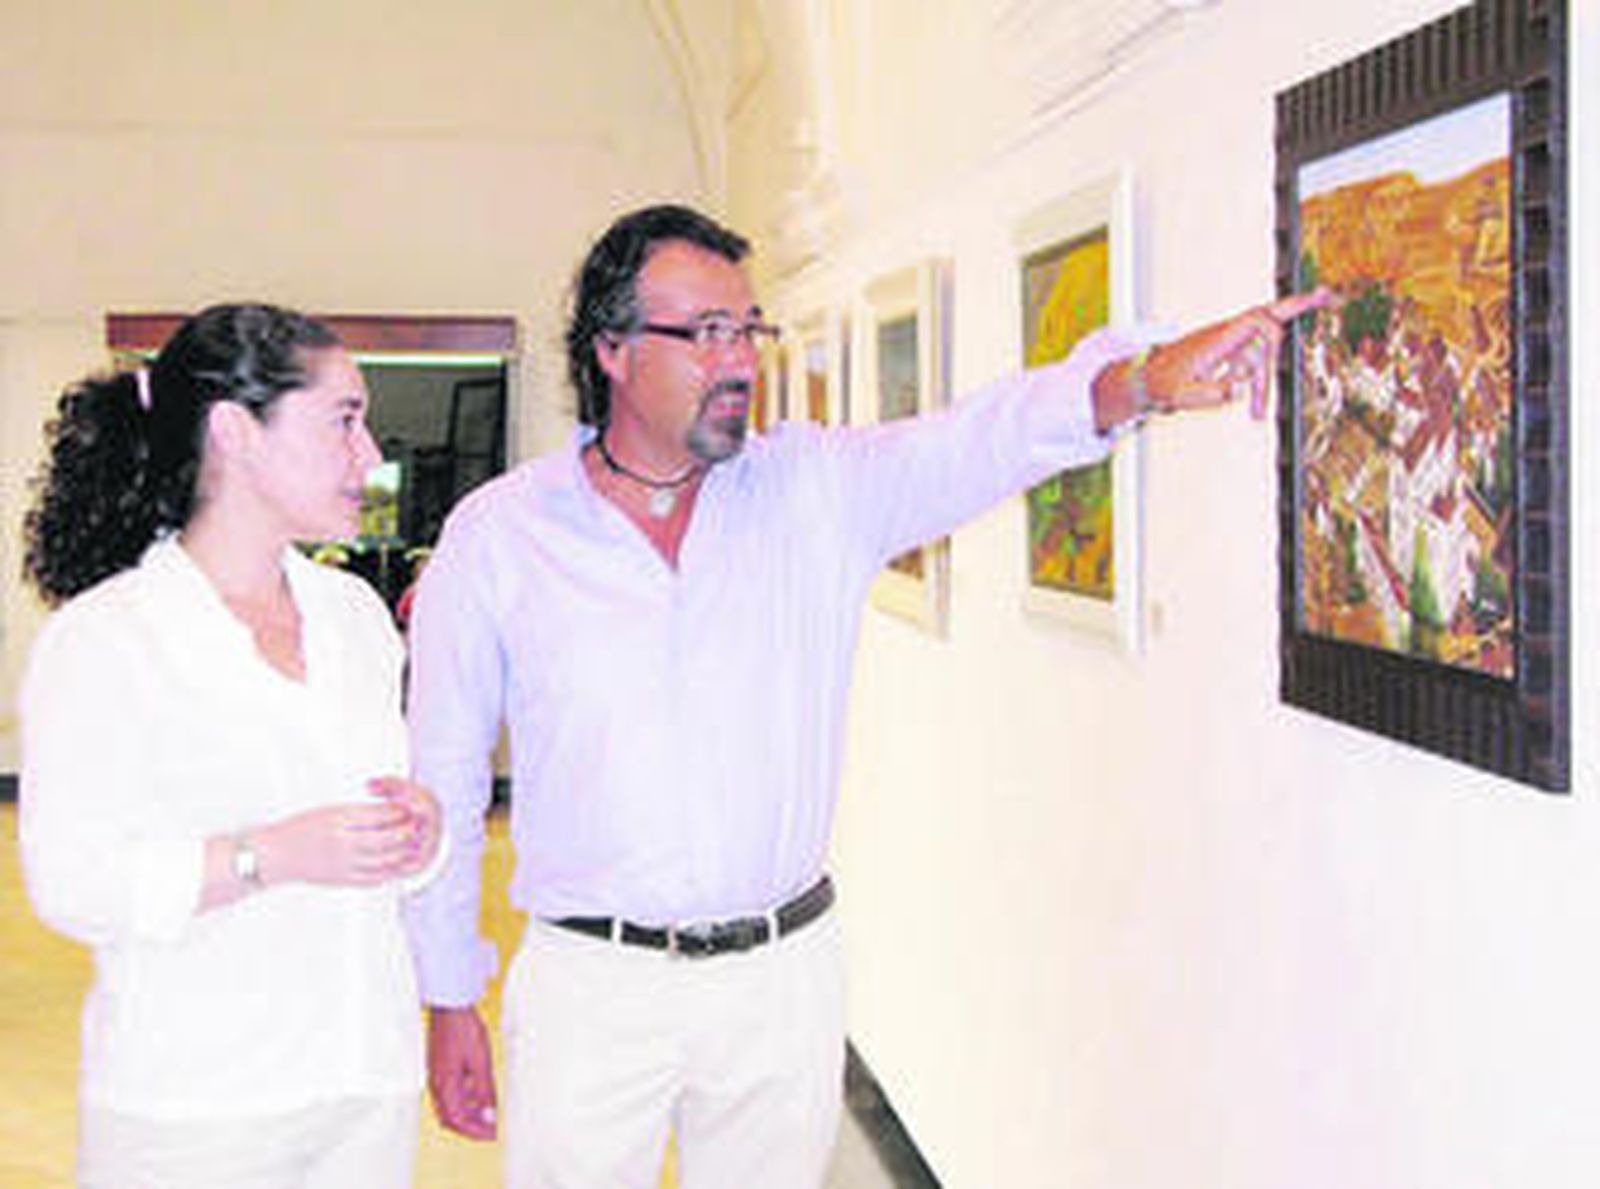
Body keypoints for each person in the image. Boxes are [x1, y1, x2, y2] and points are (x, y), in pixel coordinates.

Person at [403, 204, 1327, 1188]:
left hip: (779, 979)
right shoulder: (501, 537)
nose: (739, 361)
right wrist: (448, 989)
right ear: (615, 352)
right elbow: (445, 775)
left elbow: (980, 440)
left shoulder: (816, 492)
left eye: (747, 329)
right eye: (705, 332)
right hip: (591, 984)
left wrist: (1139, 381)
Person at [19, 303, 445, 1189]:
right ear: (235, 432)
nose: (370, 458)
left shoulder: (355, 620)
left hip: (364, 1084)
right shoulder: (107, 640)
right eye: (344, 422)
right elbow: (73, 881)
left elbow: (378, 831)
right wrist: (271, 854)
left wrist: (419, 832)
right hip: (195, 1109)